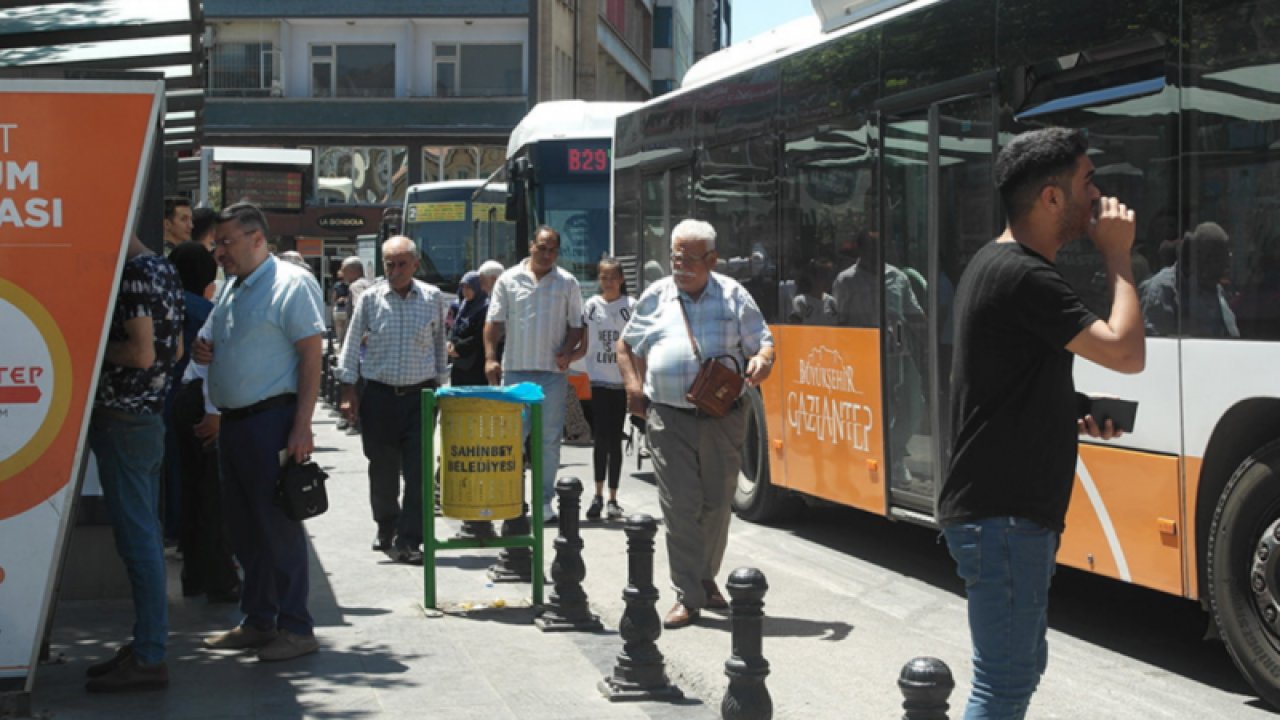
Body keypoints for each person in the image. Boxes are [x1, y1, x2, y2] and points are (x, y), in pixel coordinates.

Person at [938, 127, 1145, 719]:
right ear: (1051, 198)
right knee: (1002, 688)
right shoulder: (1024, 274)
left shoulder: (998, 264)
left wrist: (1073, 409)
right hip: (1003, 519)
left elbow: (1002, 383)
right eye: (1086, 181)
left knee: (1018, 675)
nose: (1097, 193)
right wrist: (1118, 254)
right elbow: (1127, 352)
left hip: (1005, 517)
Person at [616, 219, 775, 630]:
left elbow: (765, 343)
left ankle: (705, 575)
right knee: (681, 506)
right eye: (675, 258)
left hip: (723, 416)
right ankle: (688, 594)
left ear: (712, 260)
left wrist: (761, 362)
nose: (680, 266)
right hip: (669, 417)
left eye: (689, 259)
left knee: (717, 503)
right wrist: (634, 387)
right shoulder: (656, 296)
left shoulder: (734, 296)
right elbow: (626, 344)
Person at [195, 203, 326, 662]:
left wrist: (302, 426)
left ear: (257, 239)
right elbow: (217, 338)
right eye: (216, 244)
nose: (219, 252)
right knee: (245, 530)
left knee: (279, 530)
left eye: (226, 242)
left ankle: (296, 627)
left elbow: (312, 356)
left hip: (272, 422)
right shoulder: (231, 287)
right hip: (235, 425)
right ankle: (259, 620)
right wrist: (204, 347)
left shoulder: (291, 285)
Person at [85, 233, 184, 692]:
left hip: (123, 418)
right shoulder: (163, 269)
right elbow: (174, 350)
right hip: (148, 418)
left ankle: (149, 654)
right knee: (145, 536)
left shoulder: (132, 276)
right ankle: (146, 646)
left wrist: (91, 353)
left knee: (139, 542)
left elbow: (141, 353)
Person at [336, 236, 450, 563]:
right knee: (382, 468)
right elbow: (352, 342)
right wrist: (347, 391)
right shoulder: (371, 299)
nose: (396, 270)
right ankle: (386, 524)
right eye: (390, 264)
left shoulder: (432, 298)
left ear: (415, 264)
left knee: (417, 472)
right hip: (379, 397)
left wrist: (442, 389)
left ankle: (411, 538)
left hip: (420, 396)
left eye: (402, 264)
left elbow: (440, 344)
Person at [484, 227, 584, 522]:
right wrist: (490, 358)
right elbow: (494, 322)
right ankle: (510, 499)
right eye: (542, 247)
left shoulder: (567, 282)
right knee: (512, 439)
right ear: (531, 246)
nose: (546, 254)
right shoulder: (509, 279)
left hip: (552, 374)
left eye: (552, 249)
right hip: (516, 371)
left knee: (549, 440)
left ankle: (543, 501)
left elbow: (577, 325)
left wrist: (567, 350)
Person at [167, 242, 239, 604]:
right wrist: (215, 412)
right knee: (212, 496)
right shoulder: (209, 310)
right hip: (203, 405)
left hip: (174, 405)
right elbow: (212, 364)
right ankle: (219, 577)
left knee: (192, 492)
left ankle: (194, 573)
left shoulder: (163, 304)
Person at [572, 257, 636, 521]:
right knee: (599, 438)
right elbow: (585, 345)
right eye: (603, 276)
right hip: (598, 379)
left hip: (621, 382)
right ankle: (597, 495)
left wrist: (638, 383)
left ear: (621, 279)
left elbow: (636, 346)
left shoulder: (631, 307)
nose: (607, 282)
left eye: (612, 277)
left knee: (614, 441)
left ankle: (613, 497)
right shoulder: (591, 306)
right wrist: (566, 356)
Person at [1139, 222, 1239, 338]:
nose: (1223, 268)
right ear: (1201, 259)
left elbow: (1231, 335)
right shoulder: (1162, 290)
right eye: (1217, 261)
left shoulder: (1215, 289)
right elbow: (1156, 344)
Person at [448, 271, 489, 388]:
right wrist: (450, 343)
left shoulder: (485, 308)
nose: (465, 291)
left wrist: (459, 349)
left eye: (469, 287)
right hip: (458, 364)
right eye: (463, 287)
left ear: (478, 288)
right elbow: (453, 327)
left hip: (475, 365)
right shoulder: (462, 306)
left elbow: (479, 337)